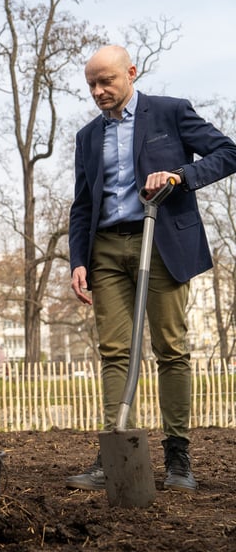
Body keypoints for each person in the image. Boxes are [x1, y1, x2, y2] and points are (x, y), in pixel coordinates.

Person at [67, 45, 236, 493]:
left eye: (107, 81)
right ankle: (114, 452)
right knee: (115, 351)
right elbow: (83, 203)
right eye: (91, 84)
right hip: (106, 247)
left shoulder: (170, 112)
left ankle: (178, 457)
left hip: (160, 241)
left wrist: (180, 175)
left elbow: (228, 153)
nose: (99, 91)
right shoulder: (87, 137)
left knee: (171, 349)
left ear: (131, 73)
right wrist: (78, 260)